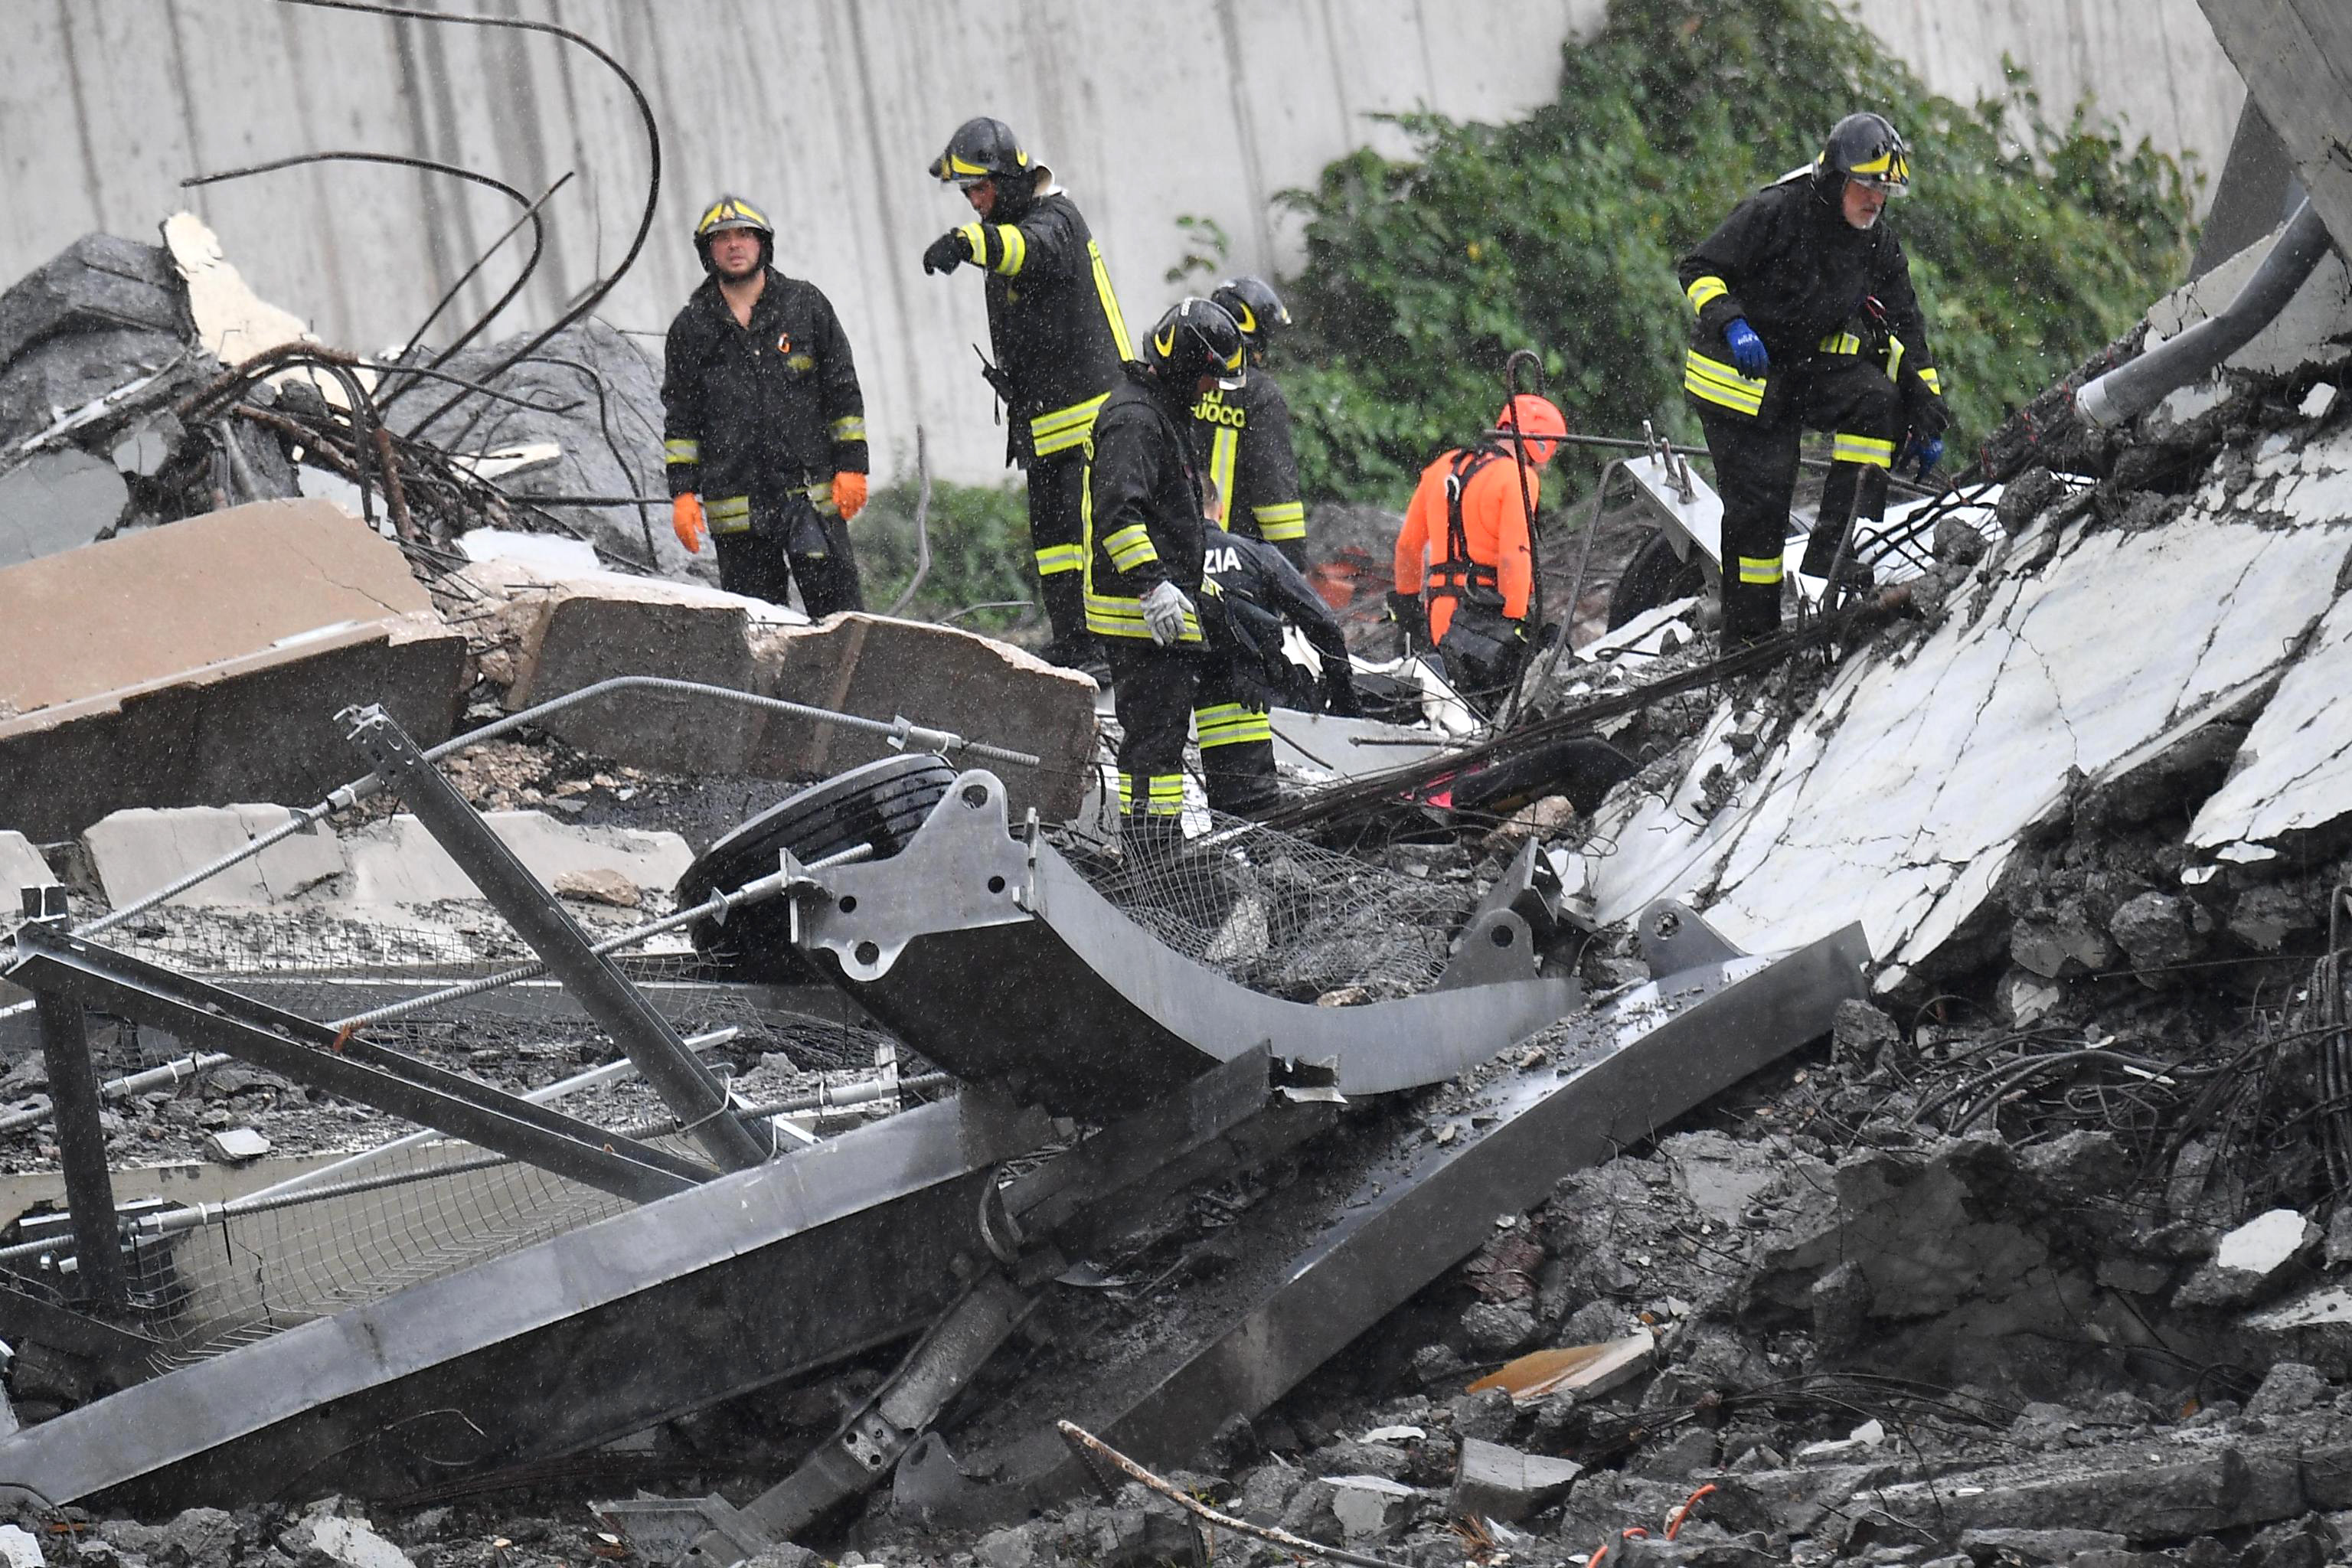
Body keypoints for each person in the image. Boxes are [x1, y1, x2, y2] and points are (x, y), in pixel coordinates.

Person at [1675, 112, 1951, 643]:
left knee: (1876, 399)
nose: (1876, 201)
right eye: (1867, 186)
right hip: (1734, 375)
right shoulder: (1778, 210)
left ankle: (1835, 559)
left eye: (1885, 190)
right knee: (1762, 511)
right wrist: (1732, 323)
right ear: (1836, 178)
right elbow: (1698, 268)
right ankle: (1749, 643)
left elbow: (1907, 326)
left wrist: (1929, 414)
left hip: (1797, 369)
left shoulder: (1877, 243)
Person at [922, 117, 1135, 669]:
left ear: (1009, 179)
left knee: (1092, 540)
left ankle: (1107, 646)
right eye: (967, 194)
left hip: (1091, 425)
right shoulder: (1015, 227)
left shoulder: (1056, 219)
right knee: (1056, 548)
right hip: (1044, 428)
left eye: (979, 189)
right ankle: (1075, 641)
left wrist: (965, 243)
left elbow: (1028, 251)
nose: (973, 202)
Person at [1083, 298, 1246, 852]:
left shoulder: (1159, 412)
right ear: (1183, 368)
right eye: (1207, 378)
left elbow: (1168, 516)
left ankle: (1159, 843)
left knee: (1164, 741)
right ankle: (1152, 854)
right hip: (1139, 617)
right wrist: (1153, 585)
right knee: (1153, 746)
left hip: (1159, 611)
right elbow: (1117, 515)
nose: (1209, 391)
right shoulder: (1135, 420)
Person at [662, 194, 869, 616]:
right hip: (738, 510)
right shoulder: (691, 328)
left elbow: (842, 390)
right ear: (708, 251)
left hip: (811, 496)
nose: (734, 245)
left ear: (763, 244)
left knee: (843, 625)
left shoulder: (805, 305)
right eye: (721, 238)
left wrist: (853, 466)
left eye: (745, 234)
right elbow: (682, 420)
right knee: (758, 629)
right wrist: (682, 494)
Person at [1389, 394, 1567, 710]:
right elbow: (1515, 556)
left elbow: (1407, 547)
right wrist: (1516, 624)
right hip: (1481, 628)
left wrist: (1408, 609)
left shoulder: (1443, 467)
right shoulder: (1519, 478)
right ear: (1540, 441)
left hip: (1435, 613)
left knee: (1440, 708)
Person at [1194, 475, 1358, 818]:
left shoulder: (1161, 567)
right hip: (1253, 716)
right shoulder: (1255, 555)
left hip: (1178, 710)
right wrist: (1341, 690)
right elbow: (1322, 622)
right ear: (1220, 509)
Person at [1192, 276, 1309, 571]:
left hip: (1181, 557)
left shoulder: (1186, 380)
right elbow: (1276, 498)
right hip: (1235, 563)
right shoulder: (1260, 395)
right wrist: (1291, 571)